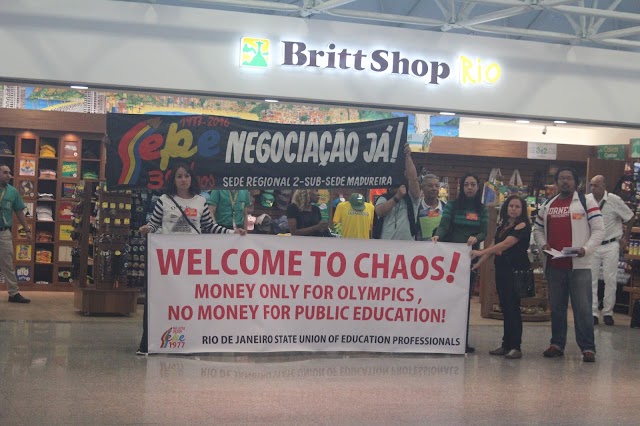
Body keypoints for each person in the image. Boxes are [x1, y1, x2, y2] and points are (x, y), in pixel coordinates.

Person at [137, 164, 245, 355]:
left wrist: (232, 232)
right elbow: (154, 224)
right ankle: (148, 343)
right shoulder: (164, 200)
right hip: (167, 263)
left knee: (188, 302)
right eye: (179, 176)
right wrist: (147, 229)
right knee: (159, 301)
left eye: (186, 176)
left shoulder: (200, 202)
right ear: (174, 180)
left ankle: (189, 341)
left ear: (191, 179)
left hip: (190, 263)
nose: (183, 179)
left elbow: (210, 227)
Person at [533, 167, 604, 362]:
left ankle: (588, 348)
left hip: (579, 266)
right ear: (556, 182)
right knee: (557, 308)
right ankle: (557, 344)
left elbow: (599, 230)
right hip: (554, 265)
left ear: (576, 182)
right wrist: (543, 244)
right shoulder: (548, 204)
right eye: (561, 179)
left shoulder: (586, 201)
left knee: (582, 308)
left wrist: (586, 249)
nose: (565, 182)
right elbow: (537, 229)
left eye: (569, 178)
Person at [433, 173, 488, 353]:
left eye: (473, 184)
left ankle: (461, 340)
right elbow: (444, 224)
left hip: (470, 258)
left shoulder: (482, 209)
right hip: (450, 259)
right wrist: (438, 235)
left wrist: (477, 237)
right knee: (447, 298)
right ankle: (442, 337)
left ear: (478, 187)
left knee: (465, 301)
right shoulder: (452, 205)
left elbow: (484, 232)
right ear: (462, 187)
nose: (470, 187)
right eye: (467, 184)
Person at [471, 195, 531, 359]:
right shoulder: (503, 224)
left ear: (522, 209)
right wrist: (479, 262)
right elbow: (493, 245)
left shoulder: (523, 225)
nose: (513, 208)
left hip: (515, 271)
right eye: (511, 205)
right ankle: (506, 344)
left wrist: (480, 252)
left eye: (517, 206)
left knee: (513, 308)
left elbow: (506, 244)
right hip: (502, 270)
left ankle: (515, 346)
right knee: (505, 307)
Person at [587, 175, 634, 326]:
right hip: (593, 244)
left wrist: (626, 237)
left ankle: (608, 313)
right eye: (591, 185)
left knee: (610, 280)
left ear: (604, 186)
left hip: (611, 244)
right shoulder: (587, 200)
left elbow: (630, 217)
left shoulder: (614, 200)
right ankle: (593, 313)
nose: (593, 188)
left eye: (596, 186)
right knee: (591, 280)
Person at [374, 143, 420, 240]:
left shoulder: (411, 198)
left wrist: (408, 157)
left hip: (408, 248)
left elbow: (413, 179)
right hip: (386, 248)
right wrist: (397, 197)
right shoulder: (383, 198)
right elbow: (380, 212)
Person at [0, 163, 32, 304]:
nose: (9, 175)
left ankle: (13, 293)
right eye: (5, 172)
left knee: (8, 263)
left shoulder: (13, 191)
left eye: (10, 173)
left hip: (4, 233)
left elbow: (19, 212)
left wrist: (27, 230)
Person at [416, 174, 446, 241]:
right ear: (422, 188)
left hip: (442, 249)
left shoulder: (446, 208)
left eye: (437, 186)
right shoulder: (416, 208)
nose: (434, 188)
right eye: (430, 186)